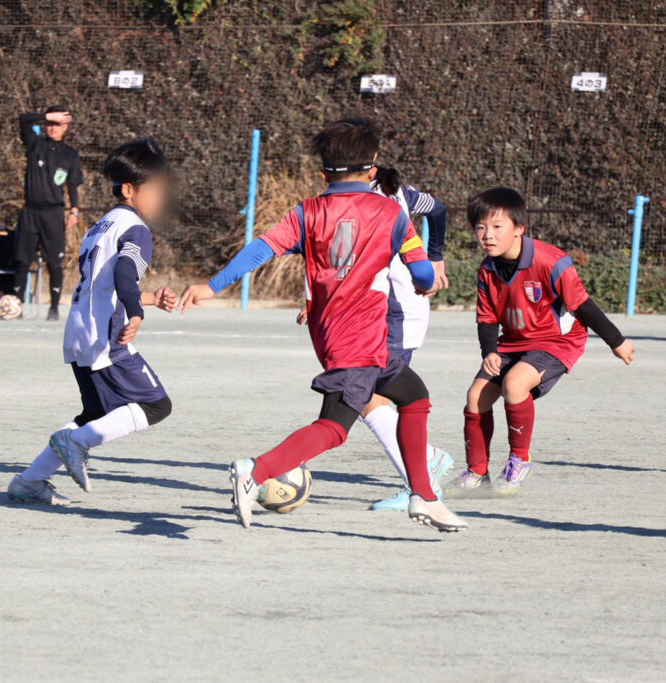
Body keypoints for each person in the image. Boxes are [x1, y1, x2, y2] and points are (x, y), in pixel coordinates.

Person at [179, 117, 467, 532]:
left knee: (414, 396)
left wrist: (211, 286)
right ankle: (255, 471)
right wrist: (425, 282)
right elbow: (422, 274)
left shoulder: (307, 212)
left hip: (344, 337)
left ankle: (423, 495)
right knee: (333, 428)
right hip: (360, 341)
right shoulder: (391, 213)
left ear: (323, 173)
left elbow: (260, 249)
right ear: (373, 166)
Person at [7, 137, 176, 505]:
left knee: (97, 413)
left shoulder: (100, 226)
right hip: (107, 338)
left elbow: (103, 283)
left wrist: (148, 298)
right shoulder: (136, 229)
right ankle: (78, 443)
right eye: (155, 189)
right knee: (156, 406)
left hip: (79, 333)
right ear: (129, 189)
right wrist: (137, 311)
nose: (160, 198)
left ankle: (30, 480)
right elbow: (125, 274)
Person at [451, 187, 635, 492]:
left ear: (519, 228)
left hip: (556, 341)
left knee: (514, 384)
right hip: (513, 341)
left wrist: (617, 341)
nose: (488, 235)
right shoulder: (487, 269)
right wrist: (489, 351)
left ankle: (519, 460)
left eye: (497, 227)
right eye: (480, 228)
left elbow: (582, 305)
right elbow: (487, 318)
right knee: (476, 396)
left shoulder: (551, 261)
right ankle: (477, 472)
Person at [362, 166, 454, 511]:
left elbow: (439, 210)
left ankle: (422, 480)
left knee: (370, 397)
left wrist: (434, 259)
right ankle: (425, 465)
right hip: (382, 312)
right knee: (368, 397)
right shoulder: (398, 192)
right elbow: (439, 209)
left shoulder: (380, 195)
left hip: (397, 313)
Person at [13, 106, 84, 321]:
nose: (53, 128)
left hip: (53, 213)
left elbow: (73, 185)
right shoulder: (36, 145)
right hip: (30, 212)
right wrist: (46, 116)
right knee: (22, 260)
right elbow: (23, 119)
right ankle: (16, 305)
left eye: (58, 124)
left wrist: (75, 210)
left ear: (66, 127)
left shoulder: (70, 155)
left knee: (54, 262)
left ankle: (53, 308)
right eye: (50, 124)